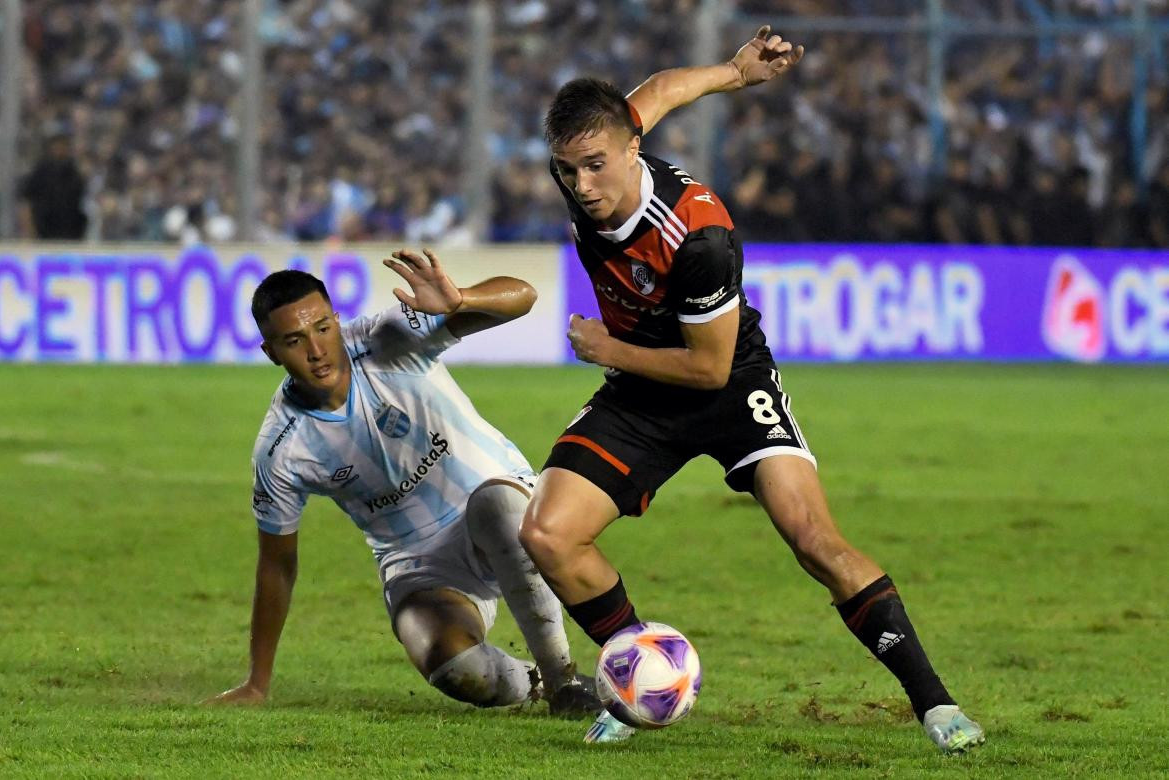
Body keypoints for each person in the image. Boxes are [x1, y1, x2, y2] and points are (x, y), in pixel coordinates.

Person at [519, 26, 986, 752]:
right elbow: (667, 86)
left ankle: (935, 705)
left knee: (814, 541)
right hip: (642, 391)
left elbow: (707, 368)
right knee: (548, 533)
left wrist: (608, 347)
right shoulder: (596, 152)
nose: (581, 187)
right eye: (567, 169)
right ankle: (642, 676)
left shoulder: (698, 236)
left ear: (630, 150)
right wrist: (734, 73)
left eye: (594, 167)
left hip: (726, 382)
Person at [208, 250, 599, 718]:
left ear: (336, 319)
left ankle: (564, 682)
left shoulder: (387, 339)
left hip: (506, 506)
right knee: (454, 667)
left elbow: (524, 296)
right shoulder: (282, 449)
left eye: (322, 329)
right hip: (420, 564)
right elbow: (277, 566)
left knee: (493, 505)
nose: (316, 350)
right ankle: (535, 682)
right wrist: (258, 681)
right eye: (294, 340)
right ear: (271, 352)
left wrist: (460, 300)